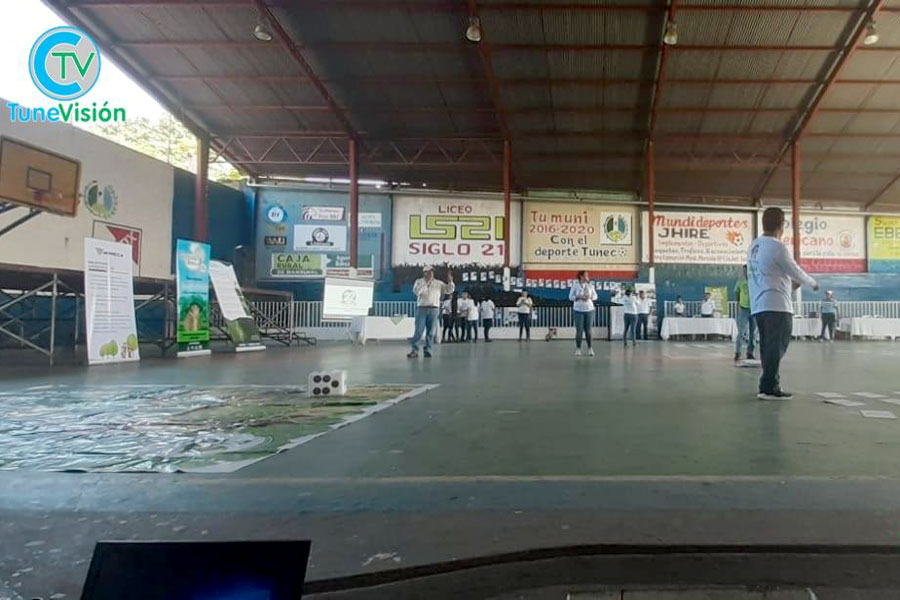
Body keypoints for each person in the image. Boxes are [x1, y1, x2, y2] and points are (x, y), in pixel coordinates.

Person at [748, 207, 818, 400]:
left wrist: (789, 285)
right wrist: (812, 283)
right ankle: (769, 387)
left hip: (759, 305)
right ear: (782, 225)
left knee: (767, 346)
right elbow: (795, 271)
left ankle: (768, 384)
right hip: (777, 305)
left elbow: (770, 275)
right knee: (777, 346)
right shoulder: (777, 247)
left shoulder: (754, 246)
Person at [408, 266, 454, 358]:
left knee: (431, 332)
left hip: (434, 309)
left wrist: (450, 282)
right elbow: (417, 292)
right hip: (422, 308)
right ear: (424, 272)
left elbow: (449, 290)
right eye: (428, 272)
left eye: (432, 272)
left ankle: (428, 350)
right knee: (418, 331)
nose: (431, 273)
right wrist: (427, 282)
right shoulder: (419, 282)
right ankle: (414, 350)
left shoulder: (438, 283)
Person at [569, 271, 598, 357]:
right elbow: (570, 297)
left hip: (589, 310)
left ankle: (590, 348)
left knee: (588, 331)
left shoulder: (590, 286)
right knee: (579, 330)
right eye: (585, 275)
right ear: (581, 276)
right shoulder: (575, 286)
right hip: (578, 310)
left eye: (587, 275)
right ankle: (578, 349)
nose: (587, 277)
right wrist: (578, 297)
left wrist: (590, 297)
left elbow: (596, 296)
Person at [734, 265, 756, 361]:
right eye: (744, 271)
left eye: (747, 270)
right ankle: (737, 352)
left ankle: (750, 352)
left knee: (753, 332)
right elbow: (737, 292)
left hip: (754, 309)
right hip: (743, 309)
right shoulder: (740, 282)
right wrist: (738, 303)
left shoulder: (755, 281)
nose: (745, 273)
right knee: (741, 332)